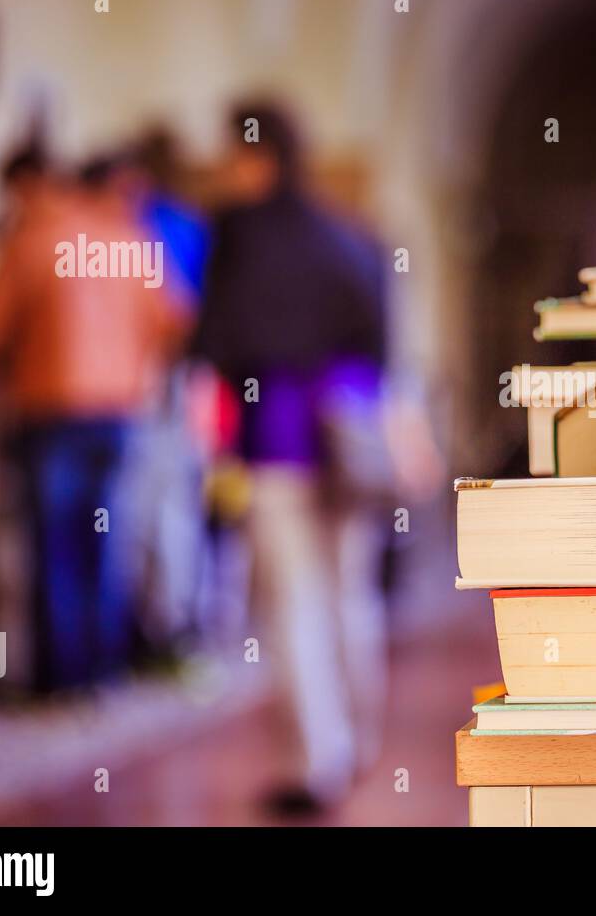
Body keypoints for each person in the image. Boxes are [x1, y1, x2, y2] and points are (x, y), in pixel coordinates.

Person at [194, 102, 389, 814]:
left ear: (256, 157)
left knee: (294, 603)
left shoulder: (238, 233)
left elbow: (215, 339)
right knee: (350, 595)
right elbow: (380, 344)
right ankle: (362, 738)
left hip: (277, 437)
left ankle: (318, 759)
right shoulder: (352, 236)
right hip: (350, 435)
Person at [0, 146, 191, 694]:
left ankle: (61, 679)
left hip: (49, 411)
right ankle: (103, 668)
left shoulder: (30, 239)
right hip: (120, 412)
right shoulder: (127, 237)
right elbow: (172, 323)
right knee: (105, 538)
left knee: (53, 546)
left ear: (27, 187)